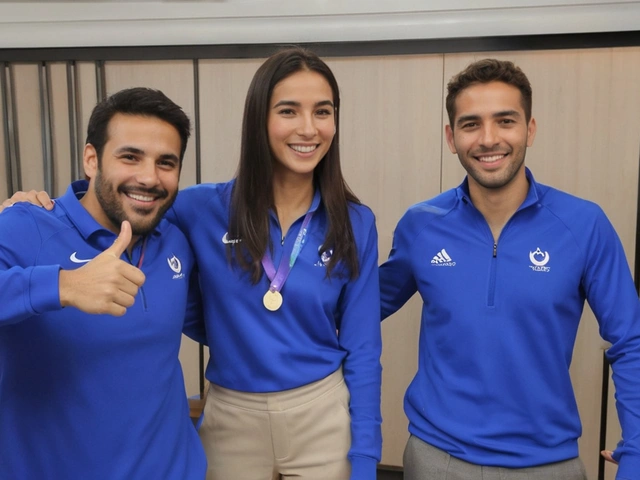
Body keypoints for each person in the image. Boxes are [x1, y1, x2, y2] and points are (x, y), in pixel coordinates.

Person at [4, 47, 383, 480]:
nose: (308, 127)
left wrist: (367, 457)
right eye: (288, 110)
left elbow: (364, 348)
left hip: (315, 411)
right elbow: (111, 202)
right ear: (260, 120)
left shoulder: (353, 222)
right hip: (230, 412)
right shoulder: (198, 209)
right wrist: (42, 224)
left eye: (323, 111)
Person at [379, 58, 640, 480]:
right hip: (435, 459)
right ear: (451, 137)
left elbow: (632, 340)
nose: (488, 139)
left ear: (529, 129)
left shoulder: (583, 224)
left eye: (505, 121)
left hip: (547, 465)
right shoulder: (421, 225)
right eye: (470, 124)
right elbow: (357, 308)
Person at [0, 87, 207, 479]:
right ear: (91, 159)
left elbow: (228, 324)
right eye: (130, 157)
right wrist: (64, 286)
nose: (149, 177)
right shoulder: (25, 225)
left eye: (166, 162)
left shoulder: (176, 239)